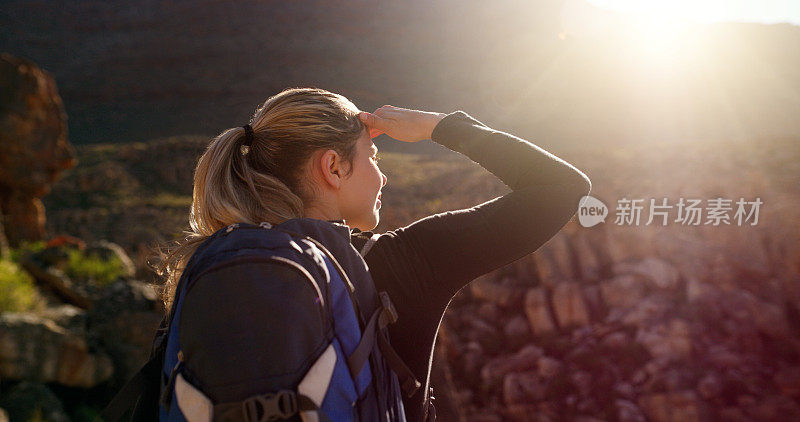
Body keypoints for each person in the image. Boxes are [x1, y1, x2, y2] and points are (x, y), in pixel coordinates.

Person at [155, 87, 591, 421]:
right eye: (373, 156)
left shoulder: (210, 268)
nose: (383, 177)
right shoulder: (406, 261)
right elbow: (562, 188)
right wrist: (438, 126)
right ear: (334, 168)